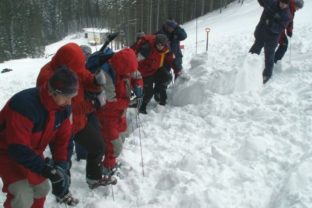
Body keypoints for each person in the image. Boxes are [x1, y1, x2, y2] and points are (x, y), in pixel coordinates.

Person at [0, 67, 79, 207]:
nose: (69, 102)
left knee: (42, 188)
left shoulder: (63, 109)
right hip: (7, 153)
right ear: (52, 92)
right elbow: (17, 148)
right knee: (22, 195)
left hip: (32, 153)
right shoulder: (24, 106)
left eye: (72, 97)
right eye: (67, 97)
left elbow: (63, 141)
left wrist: (61, 166)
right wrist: (45, 168)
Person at [37, 43, 108, 189]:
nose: (80, 70)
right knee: (62, 163)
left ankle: (93, 178)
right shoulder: (47, 78)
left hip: (78, 122)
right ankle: (62, 192)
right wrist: (92, 104)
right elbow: (61, 109)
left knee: (98, 146)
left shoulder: (72, 65)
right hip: (58, 127)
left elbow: (84, 76)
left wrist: (95, 82)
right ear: (66, 66)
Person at [90, 48, 142, 181]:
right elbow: (107, 103)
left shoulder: (127, 67)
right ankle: (107, 167)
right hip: (107, 116)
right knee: (115, 146)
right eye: (128, 72)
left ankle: (110, 161)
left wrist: (138, 86)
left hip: (120, 113)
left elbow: (137, 75)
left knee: (123, 135)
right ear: (121, 67)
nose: (131, 74)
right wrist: (128, 102)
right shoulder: (105, 75)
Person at [131, 34, 178, 114]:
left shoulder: (166, 49)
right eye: (158, 44)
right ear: (155, 43)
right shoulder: (146, 49)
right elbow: (135, 61)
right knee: (149, 92)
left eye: (162, 45)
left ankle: (158, 92)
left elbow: (171, 60)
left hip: (155, 69)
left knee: (167, 77)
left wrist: (178, 69)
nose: (160, 46)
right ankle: (142, 107)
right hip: (145, 73)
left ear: (165, 44)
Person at [249, 0, 293, 84]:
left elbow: (279, 28)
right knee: (254, 50)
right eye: (282, 2)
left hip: (272, 37)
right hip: (261, 32)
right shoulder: (271, 2)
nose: (283, 5)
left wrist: (270, 23)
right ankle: (247, 67)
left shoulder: (287, 15)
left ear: (288, 4)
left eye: (285, 4)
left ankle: (267, 75)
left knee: (269, 55)